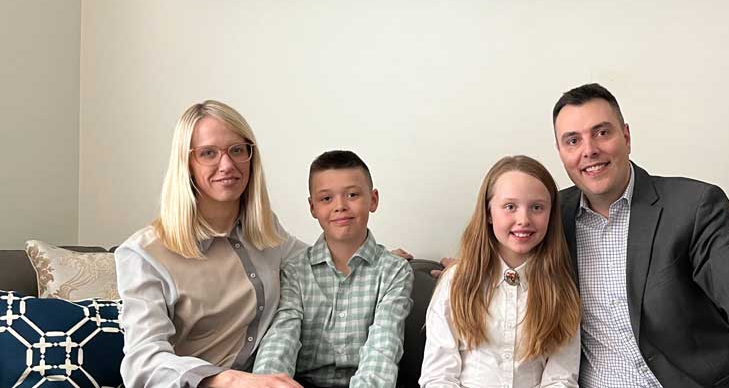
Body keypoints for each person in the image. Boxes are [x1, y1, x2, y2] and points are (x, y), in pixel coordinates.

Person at [552, 83, 729, 388]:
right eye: (573, 141)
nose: (589, 150)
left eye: (602, 132)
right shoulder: (551, 219)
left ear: (626, 136)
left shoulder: (692, 206)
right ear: (561, 153)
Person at [116, 100, 307, 388]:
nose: (227, 165)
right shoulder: (144, 254)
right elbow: (143, 362)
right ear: (187, 164)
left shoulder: (266, 230)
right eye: (208, 153)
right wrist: (226, 380)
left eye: (237, 150)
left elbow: (315, 261)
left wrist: (371, 256)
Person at [252, 150, 414, 387]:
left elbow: (384, 347)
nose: (340, 206)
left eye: (352, 194)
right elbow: (281, 338)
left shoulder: (394, 272)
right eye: (326, 198)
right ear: (312, 207)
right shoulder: (295, 271)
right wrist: (267, 383)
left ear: (373, 199)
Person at [420, 155, 581, 388]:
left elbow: (561, 379)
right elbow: (438, 377)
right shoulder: (456, 283)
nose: (523, 219)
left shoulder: (561, 290)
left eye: (537, 207)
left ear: (551, 215)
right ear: (488, 212)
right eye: (510, 207)